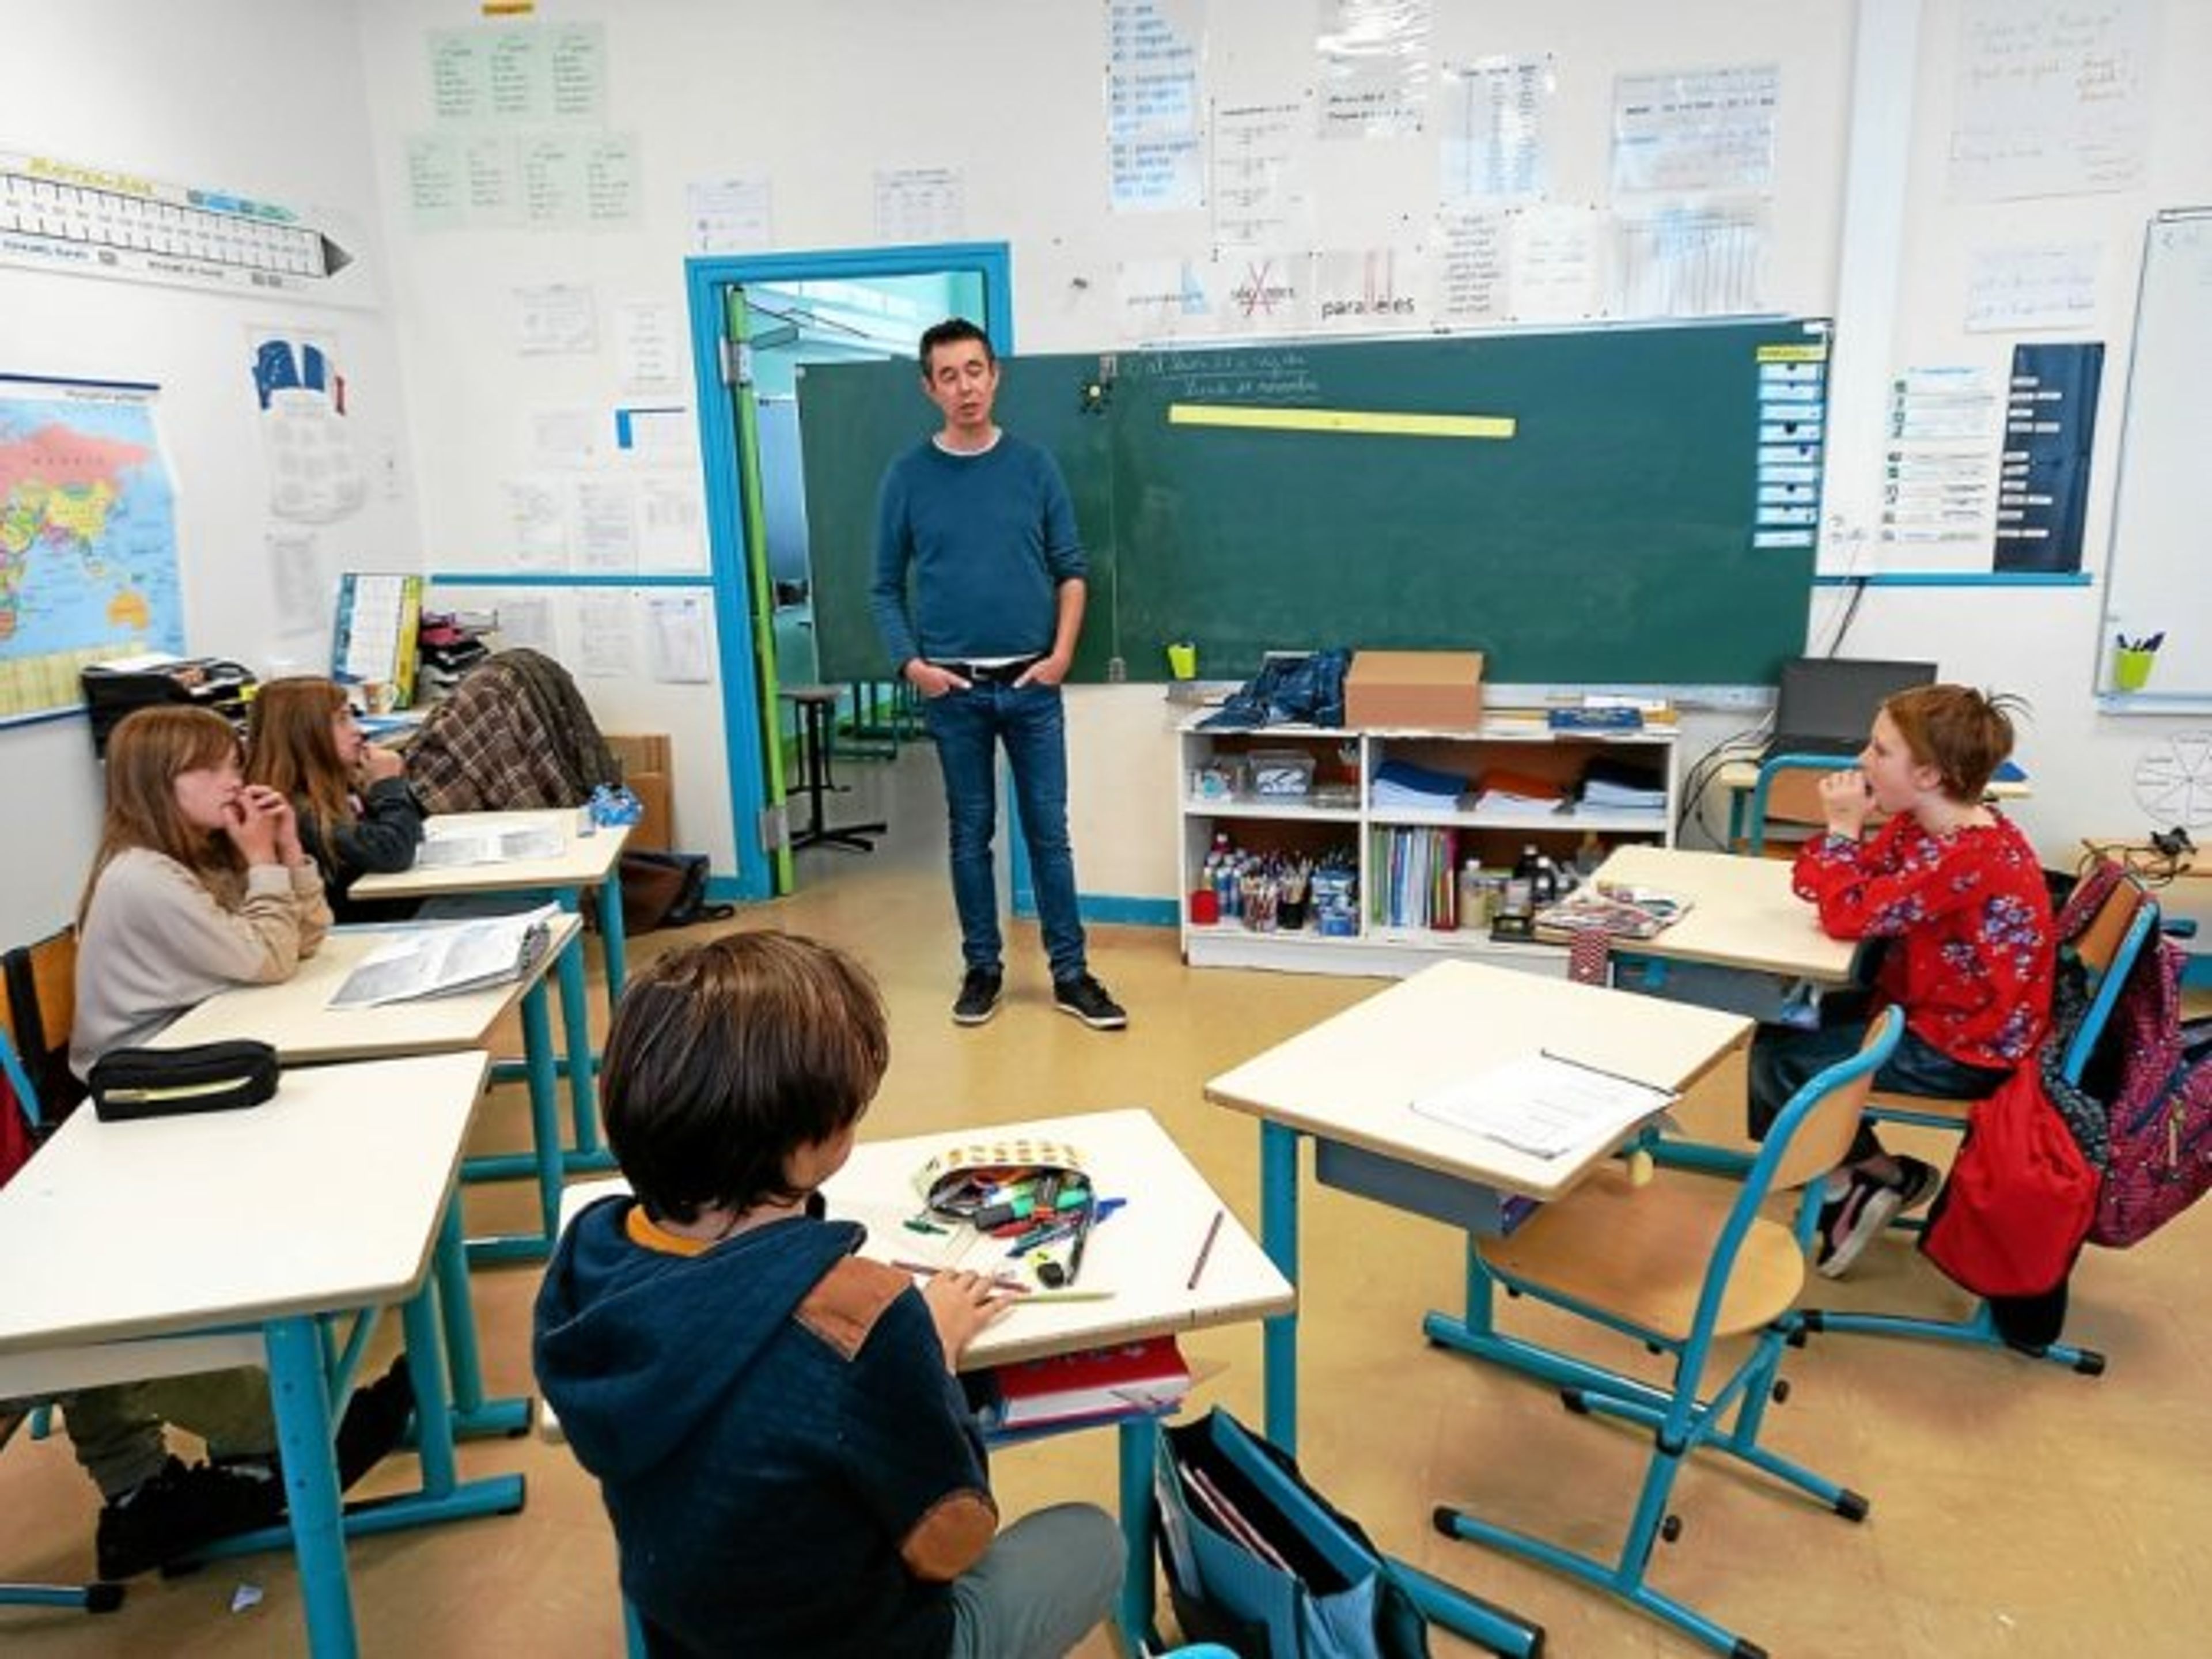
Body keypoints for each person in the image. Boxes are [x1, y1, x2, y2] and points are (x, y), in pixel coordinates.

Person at [534, 931, 1123, 1659]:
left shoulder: (588, 1263)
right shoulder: (863, 1319)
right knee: (1094, 1540)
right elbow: (953, 1537)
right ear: (814, 1142)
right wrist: (932, 1355)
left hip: (690, 1635)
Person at [58, 706, 410, 1577]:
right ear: (156, 788)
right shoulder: (144, 878)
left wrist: (287, 858)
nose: (234, 779)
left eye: (233, 761)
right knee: (131, 1324)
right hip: (144, 1111)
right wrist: (263, 866)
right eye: (210, 770)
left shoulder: (188, 863)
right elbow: (266, 960)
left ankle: (244, 1458)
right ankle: (277, 1433)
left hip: (190, 1080)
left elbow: (303, 938)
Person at [870, 317, 1126, 1031]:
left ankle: (1071, 974)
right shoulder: (908, 477)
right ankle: (982, 968)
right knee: (969, 835)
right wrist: (911, 664)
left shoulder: (1035, 466)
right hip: (953, 691)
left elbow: (1072, 573)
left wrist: (1062, 657)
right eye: (948, 375)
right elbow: (884, 586)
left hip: (1031, 689)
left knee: (1050, 833)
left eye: (974, 370)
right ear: (929, 388)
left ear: (995, 375)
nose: (965, 387)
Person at [1747, 685, 2055, 1278]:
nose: (1862, 760)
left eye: (1880, 751)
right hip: (1922, 1007)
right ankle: (1871, 1175)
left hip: (1963, 1047)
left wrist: (1841, 830)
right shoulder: (1923, 828)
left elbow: (1844, 910)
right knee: (1778, 1024)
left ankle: (1844, 1182)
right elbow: (1838, 885)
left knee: (1789, 1063)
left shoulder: (1968, 857)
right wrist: (1847, 846)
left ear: (1931, 775)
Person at [245, 675, 424, 921]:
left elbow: (414, 835)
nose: (358, 731)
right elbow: (393, 853)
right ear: (304, 735)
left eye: (352, 716)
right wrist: (388, 785)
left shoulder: (340, 786)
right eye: (342, 720)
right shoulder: (293, 808)